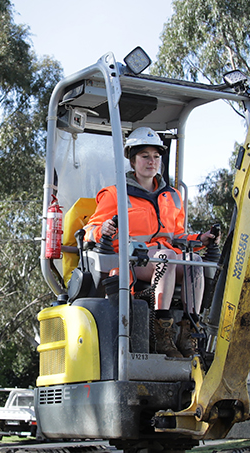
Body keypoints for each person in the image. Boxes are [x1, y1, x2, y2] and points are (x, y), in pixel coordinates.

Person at [84, 126, 217, 358]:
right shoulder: (115, 194)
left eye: (156, 156)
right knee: (167, 258)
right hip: (132, 261)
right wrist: (102, 230)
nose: (151, 161)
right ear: (132, 160)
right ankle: (161, 332)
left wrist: (201, 239)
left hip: (167, 257)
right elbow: (89, 230)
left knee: (194, 260)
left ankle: (189, 332)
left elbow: (176, 235)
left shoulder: (172, 196)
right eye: (145, 156)